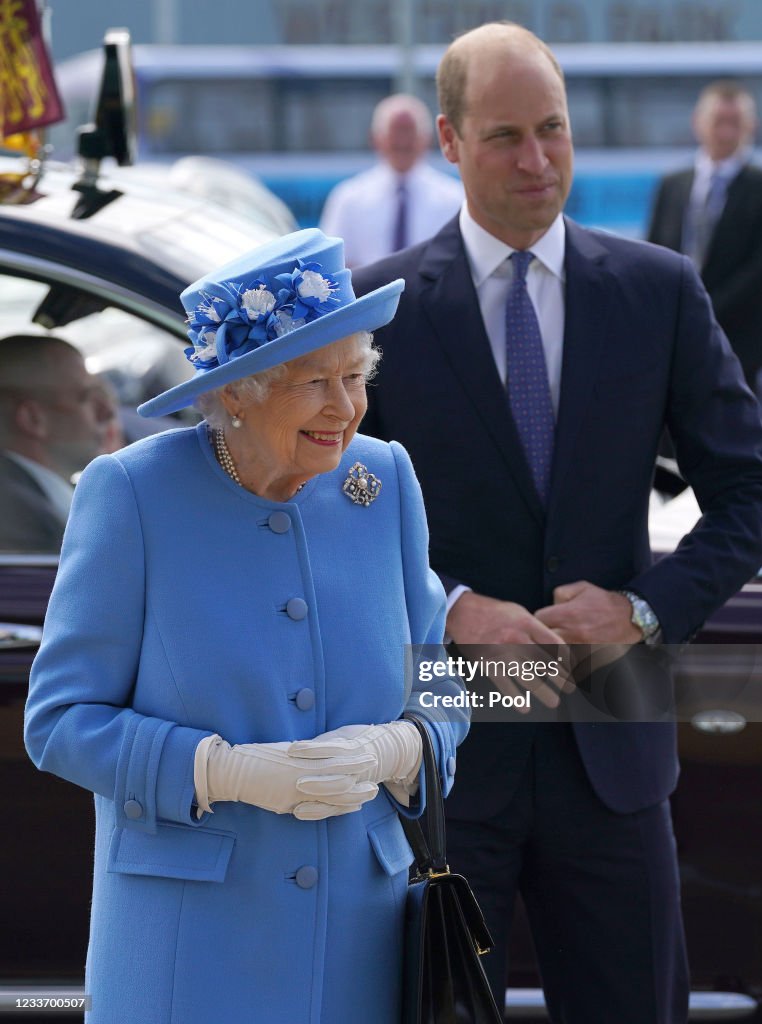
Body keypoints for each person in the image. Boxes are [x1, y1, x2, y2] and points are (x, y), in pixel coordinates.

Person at [353, 23, 762, 1024]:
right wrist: (450, 606)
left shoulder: (657, 293)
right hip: (451, 733)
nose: (538, 160)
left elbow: (754, 496)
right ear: (452, 140)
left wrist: (643, 609)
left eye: (553, 130)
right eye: (506, 136)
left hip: (610, 733)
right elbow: (330, 517)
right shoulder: (378, 307)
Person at [24, 228, 469, 1024]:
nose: (346, 407)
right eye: (315, 383)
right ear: (237, 392)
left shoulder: (384, 480)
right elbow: (58, 722)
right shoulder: (133, 494)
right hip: (189, 946)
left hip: (357, 944)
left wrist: (400, 747)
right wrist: (221, 771)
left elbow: (441, 685)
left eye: (355, 376)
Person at [648, 80, 762, 400]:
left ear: (751, 126)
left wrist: (704, 309)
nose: (726, 132)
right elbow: (653, 252)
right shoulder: (672, 185)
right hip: (677, 340)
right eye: (718, 121)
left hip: (741, 343)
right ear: (698, 123)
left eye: (735, 123)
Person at [0, 334, 117, 552]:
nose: (107, 412)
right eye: (86, 397)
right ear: (33, 419)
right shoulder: (21, 519)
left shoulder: (27, 496)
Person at [319, 93, 463, 266]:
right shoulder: (347, 199)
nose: (402, 141)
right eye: (395, 132)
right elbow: (331, 264)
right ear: (376, 139)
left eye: (409, 131)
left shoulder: (455, 200)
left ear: (427, 139)